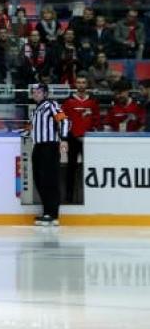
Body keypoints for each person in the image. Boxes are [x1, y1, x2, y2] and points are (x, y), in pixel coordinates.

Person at [29, 83, 70, 225]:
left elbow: (64, 120)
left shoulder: (51, 105)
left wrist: (64, 139)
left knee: (50, 180)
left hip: (50, 146)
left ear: (45, 93)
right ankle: (47, 211)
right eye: (34, 92)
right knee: (39, 179)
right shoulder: (35, 110)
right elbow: (32, 128)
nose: (35, 94)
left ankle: (53, 214)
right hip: (38, 147)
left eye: (39, 92)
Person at [61, 75, 99, 203]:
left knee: (90, 168)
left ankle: (92, 198)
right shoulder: (68, 101)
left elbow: (96, 120)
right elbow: (61, 118)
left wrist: (92, 133)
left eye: (83, 82)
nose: (81, 85)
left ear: (87, 84)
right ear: (75, 84)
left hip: (89, 140)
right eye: (79, 82)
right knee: (70, 169)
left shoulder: (93, 102)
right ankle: (68, 198)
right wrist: (64, 136)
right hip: (72, 139)